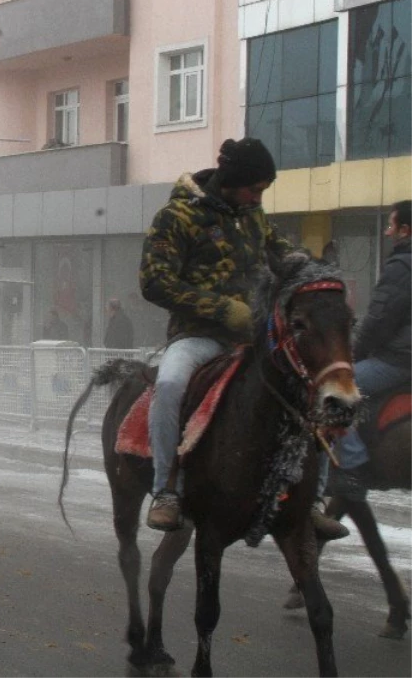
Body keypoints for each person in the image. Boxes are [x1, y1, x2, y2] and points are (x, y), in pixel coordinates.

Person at [139, 137, 348, 539]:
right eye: (255, 189)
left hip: (258, 336)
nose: (258, 198)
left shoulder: (252, 211)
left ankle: (313, 500)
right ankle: (167, 490)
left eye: (262, 192)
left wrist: (306, 267)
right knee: (167, 385)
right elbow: (154, 282)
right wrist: (222, 310)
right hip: (199, 337)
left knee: (312, 384)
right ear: (232, 181)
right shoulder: (176, 216)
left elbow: (279, 251)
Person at [320, 201, 412, 492]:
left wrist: (352, 356)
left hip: (398, 361)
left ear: (405, 231)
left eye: (391, 225)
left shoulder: (402, 266)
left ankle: (352, 465)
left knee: (332, 390)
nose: (387, 232)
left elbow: (380, 321)